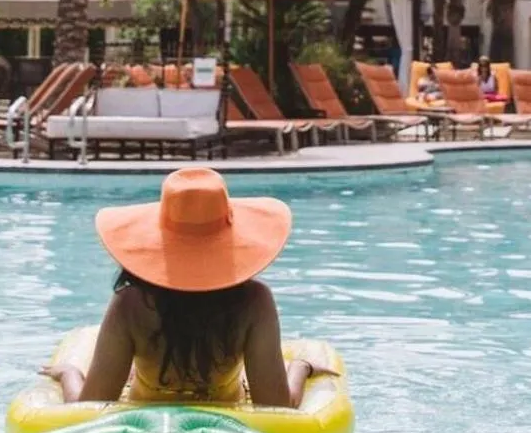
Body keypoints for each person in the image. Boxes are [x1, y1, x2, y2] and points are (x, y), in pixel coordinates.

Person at [42, 167, 327, 410]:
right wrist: (301, 367)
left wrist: (69, 374)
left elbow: (92, 405)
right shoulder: (254, 302)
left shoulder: (131, 303)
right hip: (227, 421)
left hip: (146, 421)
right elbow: (275, 407)